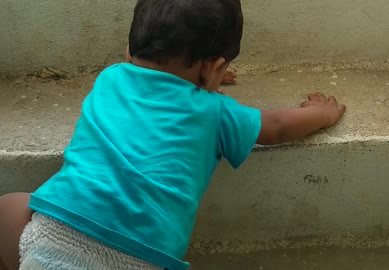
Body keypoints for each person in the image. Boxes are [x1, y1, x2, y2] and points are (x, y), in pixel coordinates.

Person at [0, 0, 346, 269]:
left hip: (51, 238)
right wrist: (321, 114)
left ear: (129, 49)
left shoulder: (109, 78)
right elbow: (277, 127)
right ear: (211, 66)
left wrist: (198, 79)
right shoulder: (215, 112)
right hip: (141, 258)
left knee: (8, 207)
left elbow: (156, 85)